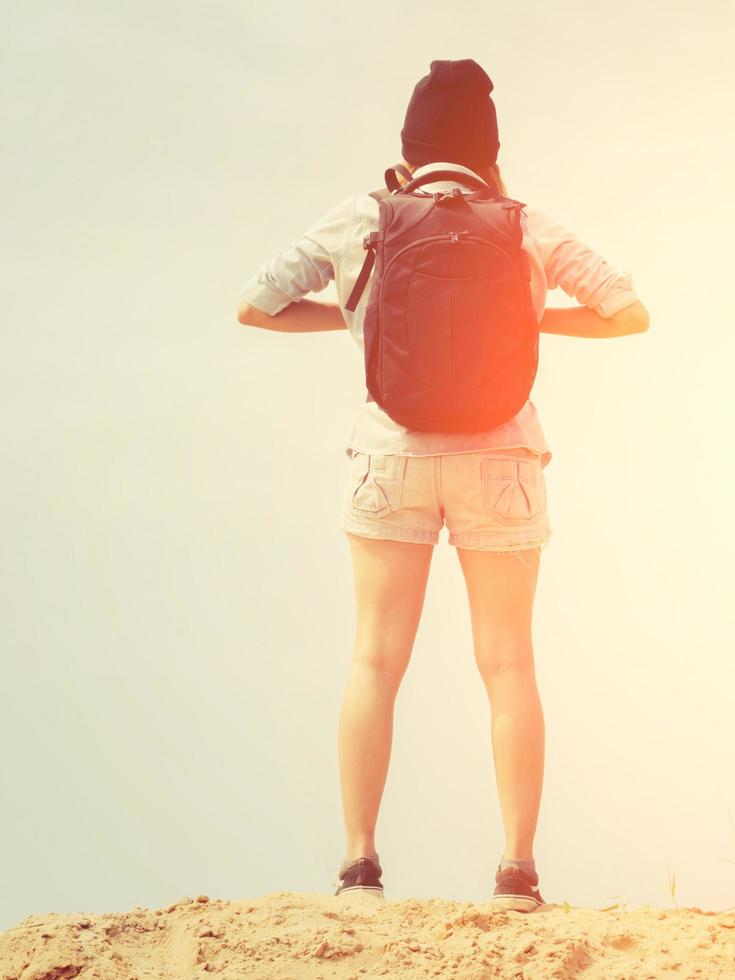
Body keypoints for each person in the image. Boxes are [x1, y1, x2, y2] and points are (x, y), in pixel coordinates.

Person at [235, 58, 649, 911]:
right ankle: (516, 875)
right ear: (489, 152)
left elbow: (256, 304)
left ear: (410, 149)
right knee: (507, 665)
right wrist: (533, 316)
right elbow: (627, 313)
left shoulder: (367, 217)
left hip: (393, 454)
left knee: (375, 657)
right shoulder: (524, 223)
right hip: (501, 459)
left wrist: (355, 318)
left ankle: (358, 871)